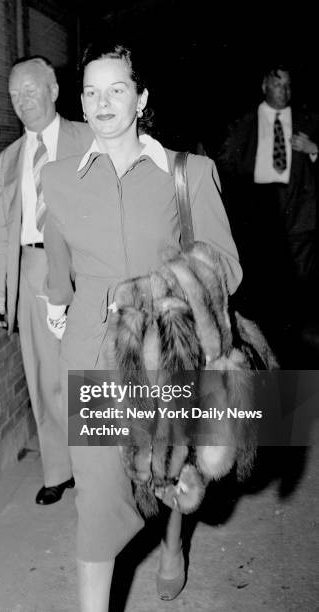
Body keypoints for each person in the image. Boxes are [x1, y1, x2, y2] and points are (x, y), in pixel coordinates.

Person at [41, 40, 242, 612]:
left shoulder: (188, 174)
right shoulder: (56, 179)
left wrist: (156, 292)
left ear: (141, 98)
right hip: (92, 352)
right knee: (99, 497)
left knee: (169, 469)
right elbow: (59, 265)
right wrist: (59, 306)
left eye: (118, 89)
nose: (103, 103)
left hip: (168, 351)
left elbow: (226, 265)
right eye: (92, 91)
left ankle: (174, 538)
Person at [0, 56, 92, 505]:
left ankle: (98, 470)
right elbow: (0, 231)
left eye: (29, 90)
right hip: (31, 271)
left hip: (84, 268)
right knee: (45, 377)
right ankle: (58, 470)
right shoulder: (8, 160)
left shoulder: (88, 139)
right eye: (13, 95)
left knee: (88, 370)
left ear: (52, 90)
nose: (21, 101)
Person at [218, 64, 319, 360]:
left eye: (289, 86)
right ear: (264, 86)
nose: (284, 91)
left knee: (297, 289)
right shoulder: (243, 125)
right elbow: (224, 165)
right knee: (264, 289)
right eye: (278, 85)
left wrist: (314, 149)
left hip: (300, 216)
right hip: (259, 216)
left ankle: (296, 348)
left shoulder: (309, 122)